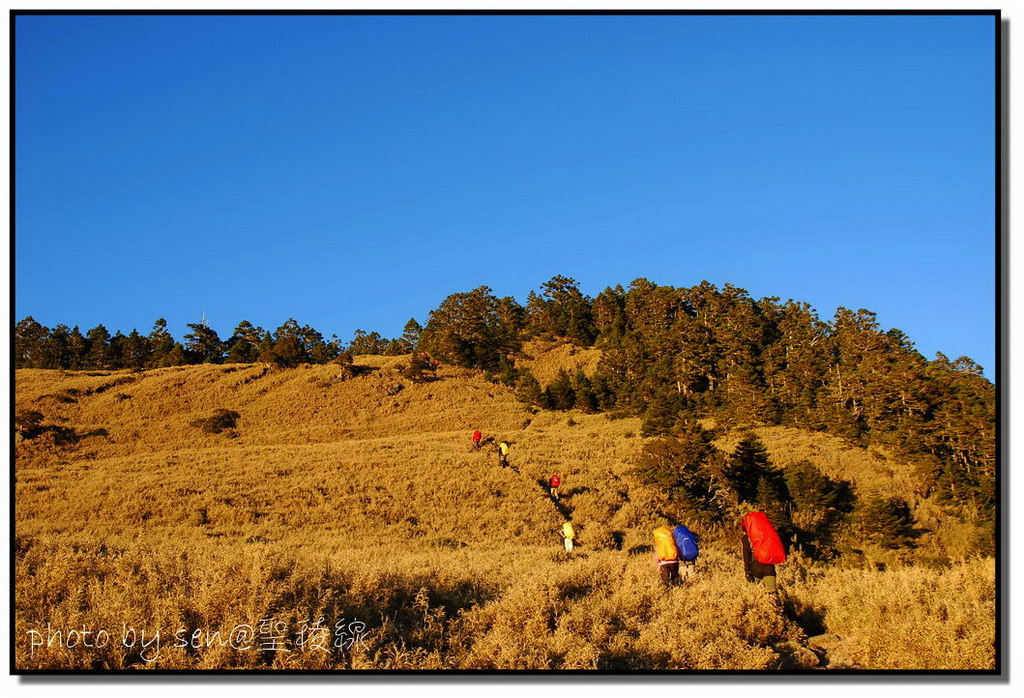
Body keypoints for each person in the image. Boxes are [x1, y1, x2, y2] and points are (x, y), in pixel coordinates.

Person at [741, 523, 778, 594]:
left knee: (752, 594)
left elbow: (746, 556)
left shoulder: (746, 538)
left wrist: (747, 571)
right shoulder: (767, 535)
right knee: (772, 594)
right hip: (769, 568)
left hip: (755, 567)